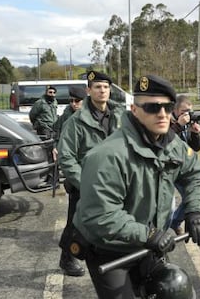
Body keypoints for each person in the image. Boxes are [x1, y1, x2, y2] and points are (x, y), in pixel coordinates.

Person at [72, 74, 200, 298]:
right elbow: (100, 216)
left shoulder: (172, 144)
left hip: (150, 242)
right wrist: (149, 234)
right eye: (153, 107)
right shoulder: (107, 156)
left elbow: (194, 174)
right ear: (135, 110)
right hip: (111, 249)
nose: (163, 114)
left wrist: (195, 210)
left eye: (168, 107)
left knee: (176, 288)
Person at [57, 71, 125, 277]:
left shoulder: (121, 116)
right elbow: (66, 157)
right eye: (97, 87)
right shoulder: (75, 122)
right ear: (89, 91)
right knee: (77, 224)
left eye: (105, 87)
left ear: (110, 90)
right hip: (85, 184)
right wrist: (84, 182)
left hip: (114, 181)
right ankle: (67, 258)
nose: (102, 90)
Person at [170, 95, 200, 234]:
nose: (188, 115)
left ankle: (174, 222)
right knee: (164, 203)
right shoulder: (167, 121)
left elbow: (195, 148)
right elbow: (165, 142)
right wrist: (178, 126)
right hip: (168, 167)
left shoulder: (187, 124)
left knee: (191, 196)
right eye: (184, 111)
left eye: (190, 111)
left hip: (182, 168)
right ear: (175, 110)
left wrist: (195, 134)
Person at [52, 86, 88, 160]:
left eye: (77, 101)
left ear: (84, 101)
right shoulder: (66, 115)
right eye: (71, 101)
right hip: (69, 153)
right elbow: (56, 131)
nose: (74, 104)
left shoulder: (92, 114)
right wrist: (55, 147)